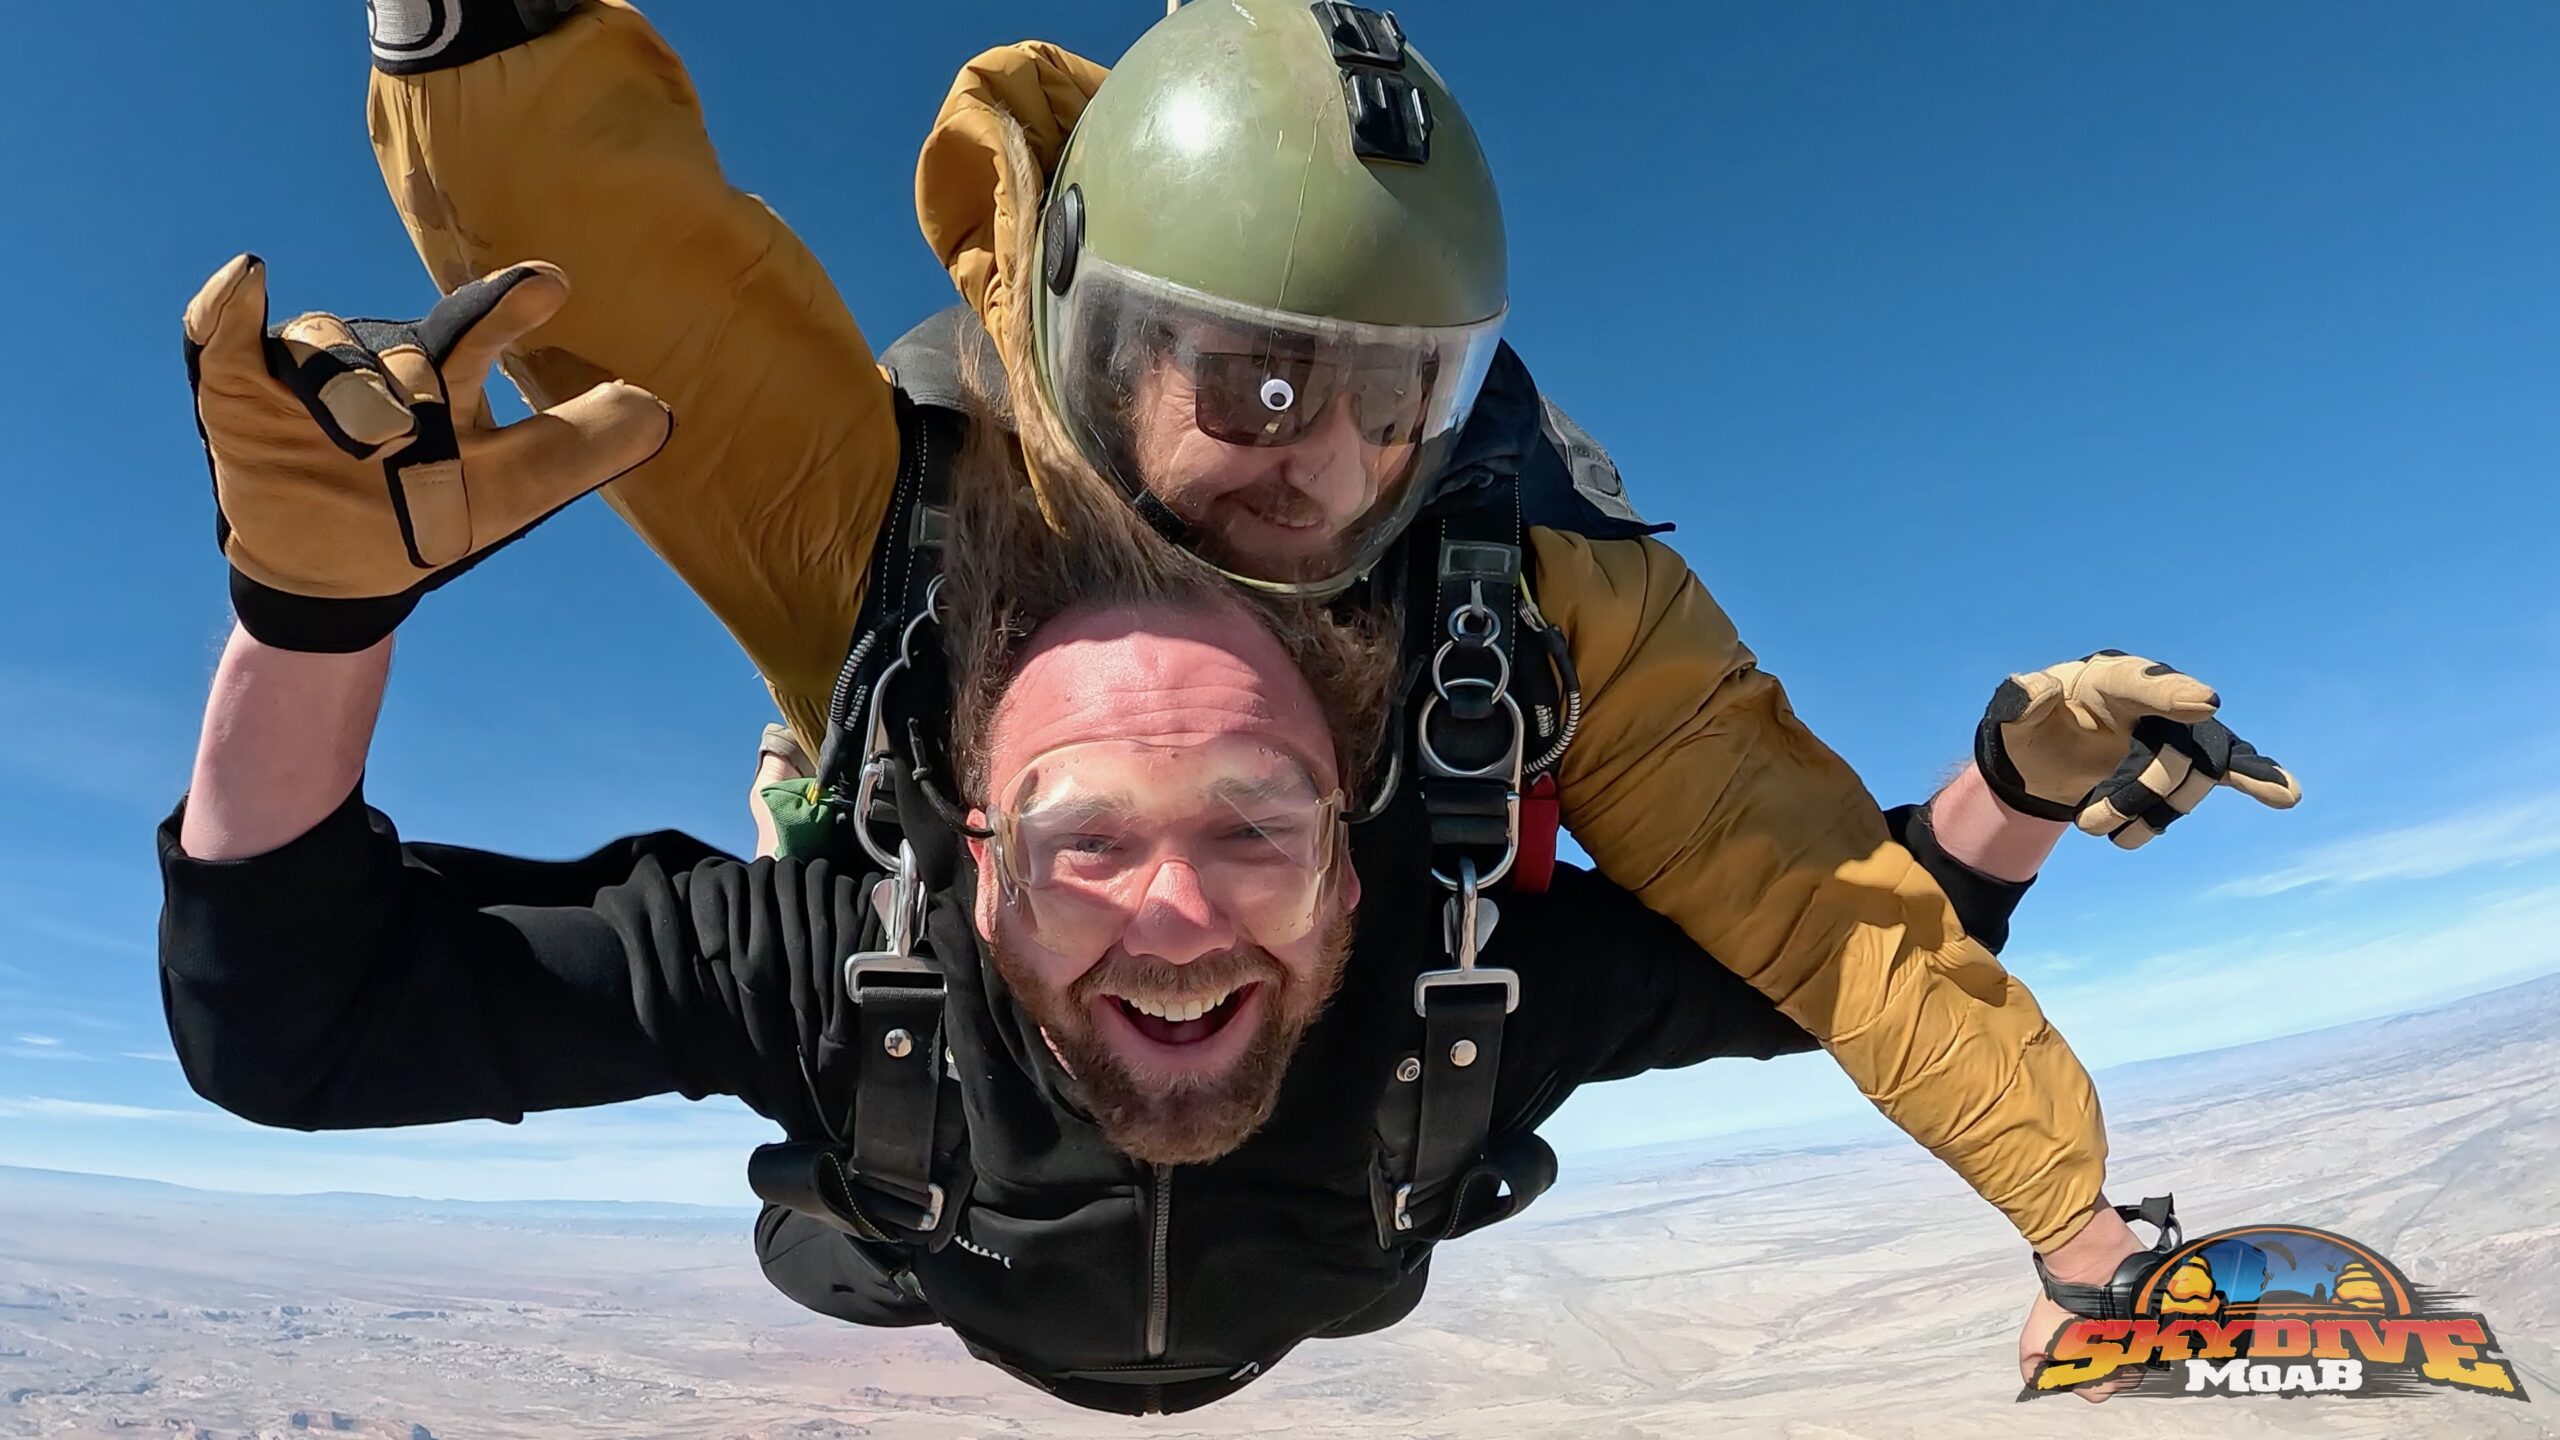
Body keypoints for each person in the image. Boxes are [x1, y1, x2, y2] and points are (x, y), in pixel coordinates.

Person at [172, 260, 2278, 1411]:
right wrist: (311, 620)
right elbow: (302, 1030)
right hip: (977, 1268)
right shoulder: (839, 964)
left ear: (1359, 860)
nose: (1171, 908)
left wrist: (2011, 779)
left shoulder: (1452, 977)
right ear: (973, 847)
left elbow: (1827, 962)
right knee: (845, 1246)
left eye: (1257, 824)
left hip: (1290, 1287)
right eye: (1084, 833)